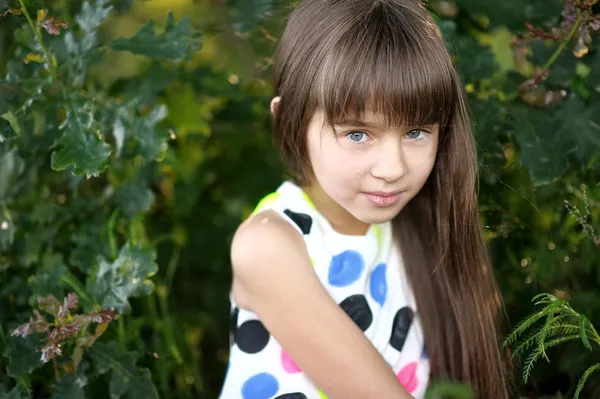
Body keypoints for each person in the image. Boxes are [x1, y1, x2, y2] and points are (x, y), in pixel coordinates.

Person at [219, 0, 514, 398]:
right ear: (289, 120)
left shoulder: (418, 229)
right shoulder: (270, 245)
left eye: (415, 132)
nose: (392, 168)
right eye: (357, 134)